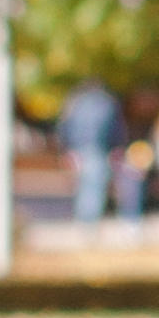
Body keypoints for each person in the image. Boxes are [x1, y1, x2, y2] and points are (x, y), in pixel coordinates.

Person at [57, 78, 125, 222]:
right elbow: (115, 129)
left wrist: (66, 150)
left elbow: (64, 126)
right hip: (98, 149)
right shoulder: (106, 103)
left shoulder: (75, 102)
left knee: (82, 185)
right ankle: (89, 220)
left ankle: (84, 218)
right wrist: (116, 147)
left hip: (77, 149)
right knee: (95, 185)